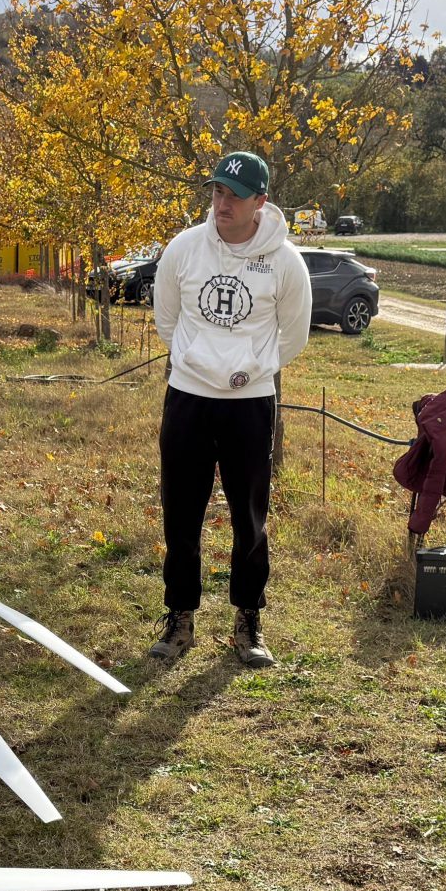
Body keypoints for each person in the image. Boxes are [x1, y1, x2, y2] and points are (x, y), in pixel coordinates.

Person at [147, 150, 312, 668]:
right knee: (181, 513)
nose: (222, 203)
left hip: (249, 405)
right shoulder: (184, 249)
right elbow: (167, 320)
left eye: (234, 196)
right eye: (217, 192)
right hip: (188, 400)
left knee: (250, 517)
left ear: (260, 201)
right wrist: (199, 364)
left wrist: (249, 369)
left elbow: (294, 335)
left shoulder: (285, 261)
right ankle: (180, 618)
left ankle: (248, 620)